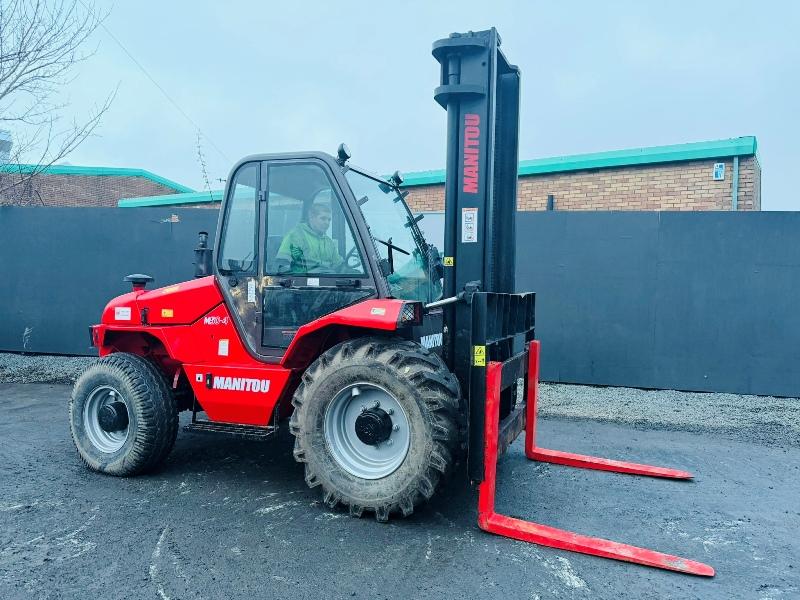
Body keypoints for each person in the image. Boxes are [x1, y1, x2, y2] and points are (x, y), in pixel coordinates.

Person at [276, 203, 343, 274]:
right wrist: (307, 274)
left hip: (328, 281)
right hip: (304, 282)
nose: (327, 223)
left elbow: (339, 266)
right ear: (311, 218)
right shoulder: (296, 236)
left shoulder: (328, 242)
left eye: (329, 220)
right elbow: (283, 266)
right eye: (323, 218)